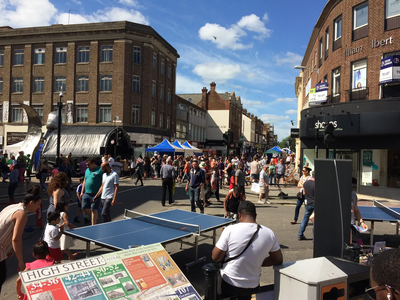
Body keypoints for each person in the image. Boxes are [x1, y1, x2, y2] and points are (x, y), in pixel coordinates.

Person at [212, 201, 283, 300]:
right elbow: (278, 260)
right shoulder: (269, 233)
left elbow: (215, 257)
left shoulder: (229, 230)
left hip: (229, 283)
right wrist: (256, 261)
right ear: (255, 215)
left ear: (239, 215)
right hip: (253, 286)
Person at [0, 185, 42, 292]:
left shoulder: (13, 207)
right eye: (38, 205)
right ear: (31, 202)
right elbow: (16, 239)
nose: (38, 208)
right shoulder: (22, 214)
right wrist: (20, 261)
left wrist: (7, 248)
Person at [80, 157, 104, 225]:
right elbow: (85, 180)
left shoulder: (99, 170)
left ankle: (93, 224)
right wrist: (82, 191)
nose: (87, 166)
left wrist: (98, 194)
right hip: (86, 192)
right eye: (86, 165)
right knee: (84, 207)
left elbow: (103, 182)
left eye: (88, 164)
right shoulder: (87, 170)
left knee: (93, 209)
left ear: (93, 163)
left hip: (95, 193)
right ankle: (94, 218)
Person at [298, 171, 315, 241]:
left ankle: (300, 234)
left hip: (307, 202)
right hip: (315, 203)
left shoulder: (306, 183)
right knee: (315, 220)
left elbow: (304, 193)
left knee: (305, 218)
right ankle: (315, 238)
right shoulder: (317, 184)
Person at [350, 177, 368, 243]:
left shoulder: (353, 195)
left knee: (357, 243)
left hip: (352, 224)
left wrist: (361, 222)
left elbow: (356, 210)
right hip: (342, 225)